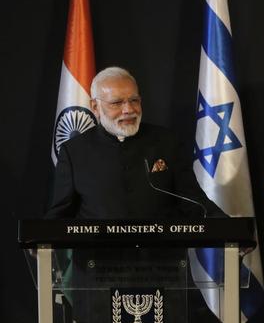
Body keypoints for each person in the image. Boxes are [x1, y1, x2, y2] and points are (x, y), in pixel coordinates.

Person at [47, 66, 222, 219]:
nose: (129, 110)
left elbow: (194, 202)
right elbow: (61, 214)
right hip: (98, 247)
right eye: (117, 103)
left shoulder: (166, 142)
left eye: (134, 100)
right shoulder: (74, 151)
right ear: (95, 107)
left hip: (161, 246)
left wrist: (229, 229)